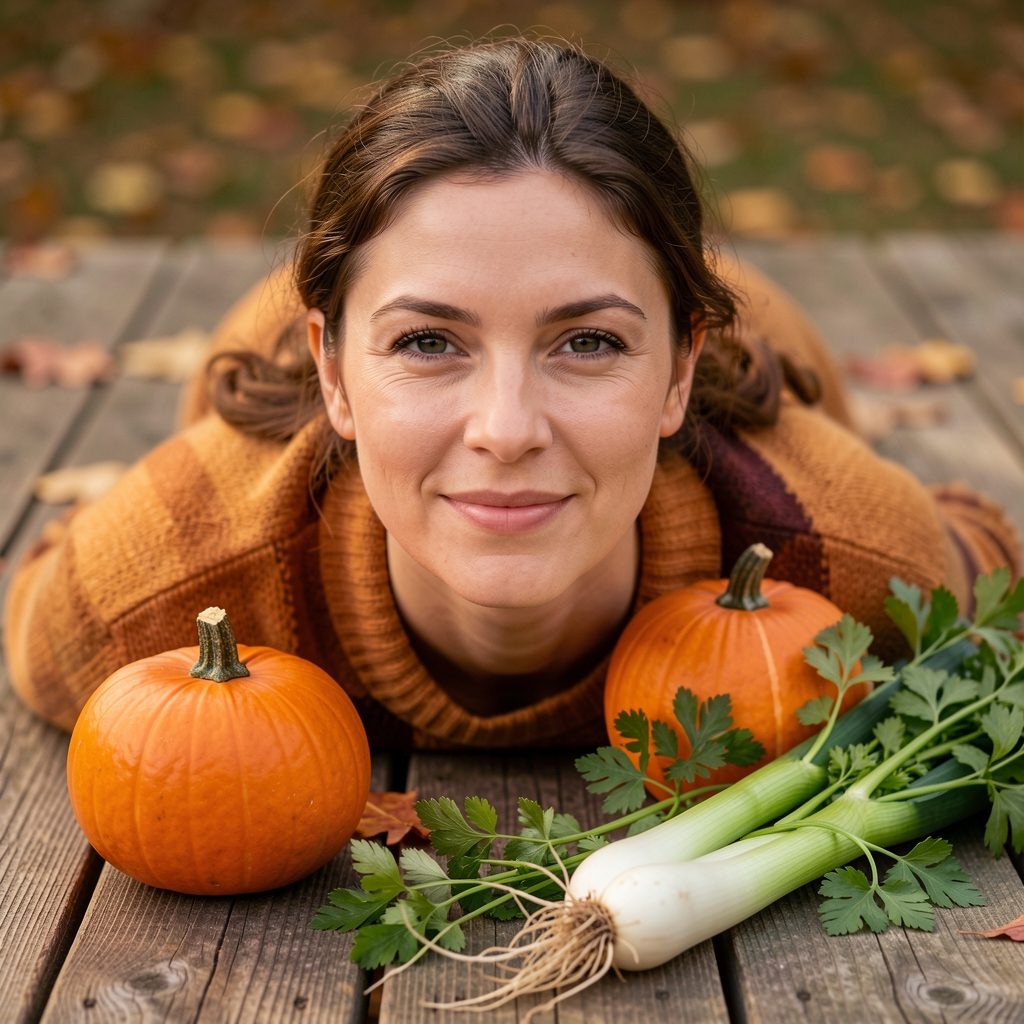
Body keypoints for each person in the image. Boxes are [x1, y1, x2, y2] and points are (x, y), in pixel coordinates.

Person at [4, 38, 1017, 748]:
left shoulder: (852, 559)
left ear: (673, 371)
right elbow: (40, 595)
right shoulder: (160, 591)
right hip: (278, 347)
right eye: (430, 341)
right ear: (333, 373)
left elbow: (984, 543)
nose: (505, 431)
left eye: (585, 342)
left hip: (749, 334)